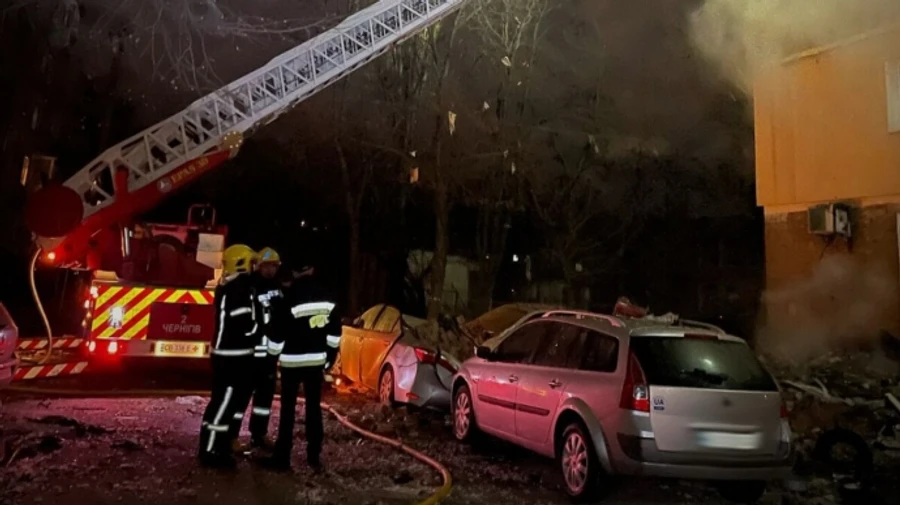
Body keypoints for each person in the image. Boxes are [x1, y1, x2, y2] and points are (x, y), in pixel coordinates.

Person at [262, 262, 341, 472]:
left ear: (295, 272)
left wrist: (271, 359)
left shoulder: (288, 296)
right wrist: (329, 359)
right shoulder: (328, 295)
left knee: (288, 410)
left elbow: (277, 334)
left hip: (291, 362)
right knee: (313, 408)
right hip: (316, 363)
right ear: (312, 270)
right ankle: (314, 456)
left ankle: (282, 456)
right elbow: (334, 334)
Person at [198, 244, 259, 468]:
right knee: (222, 407)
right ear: (242, 265)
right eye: (251, 264)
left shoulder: (229, 286)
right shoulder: (239, 290)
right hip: (233, 358)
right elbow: (246, 326)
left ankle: (216, 448)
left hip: (227, 356)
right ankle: (212, 452)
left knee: (221, 405)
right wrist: (261, 328)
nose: (254, 268)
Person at [229, 247, 284, 452]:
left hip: (269, 356)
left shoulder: (278, 287)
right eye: (267, 266)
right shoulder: (250, 287)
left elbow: (280, 317)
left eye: (274, 266)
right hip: (250, 354)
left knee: (264, 398)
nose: (271, 270)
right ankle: (231, 435)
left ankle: (259, 434)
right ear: (258, 266)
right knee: (241, 396)